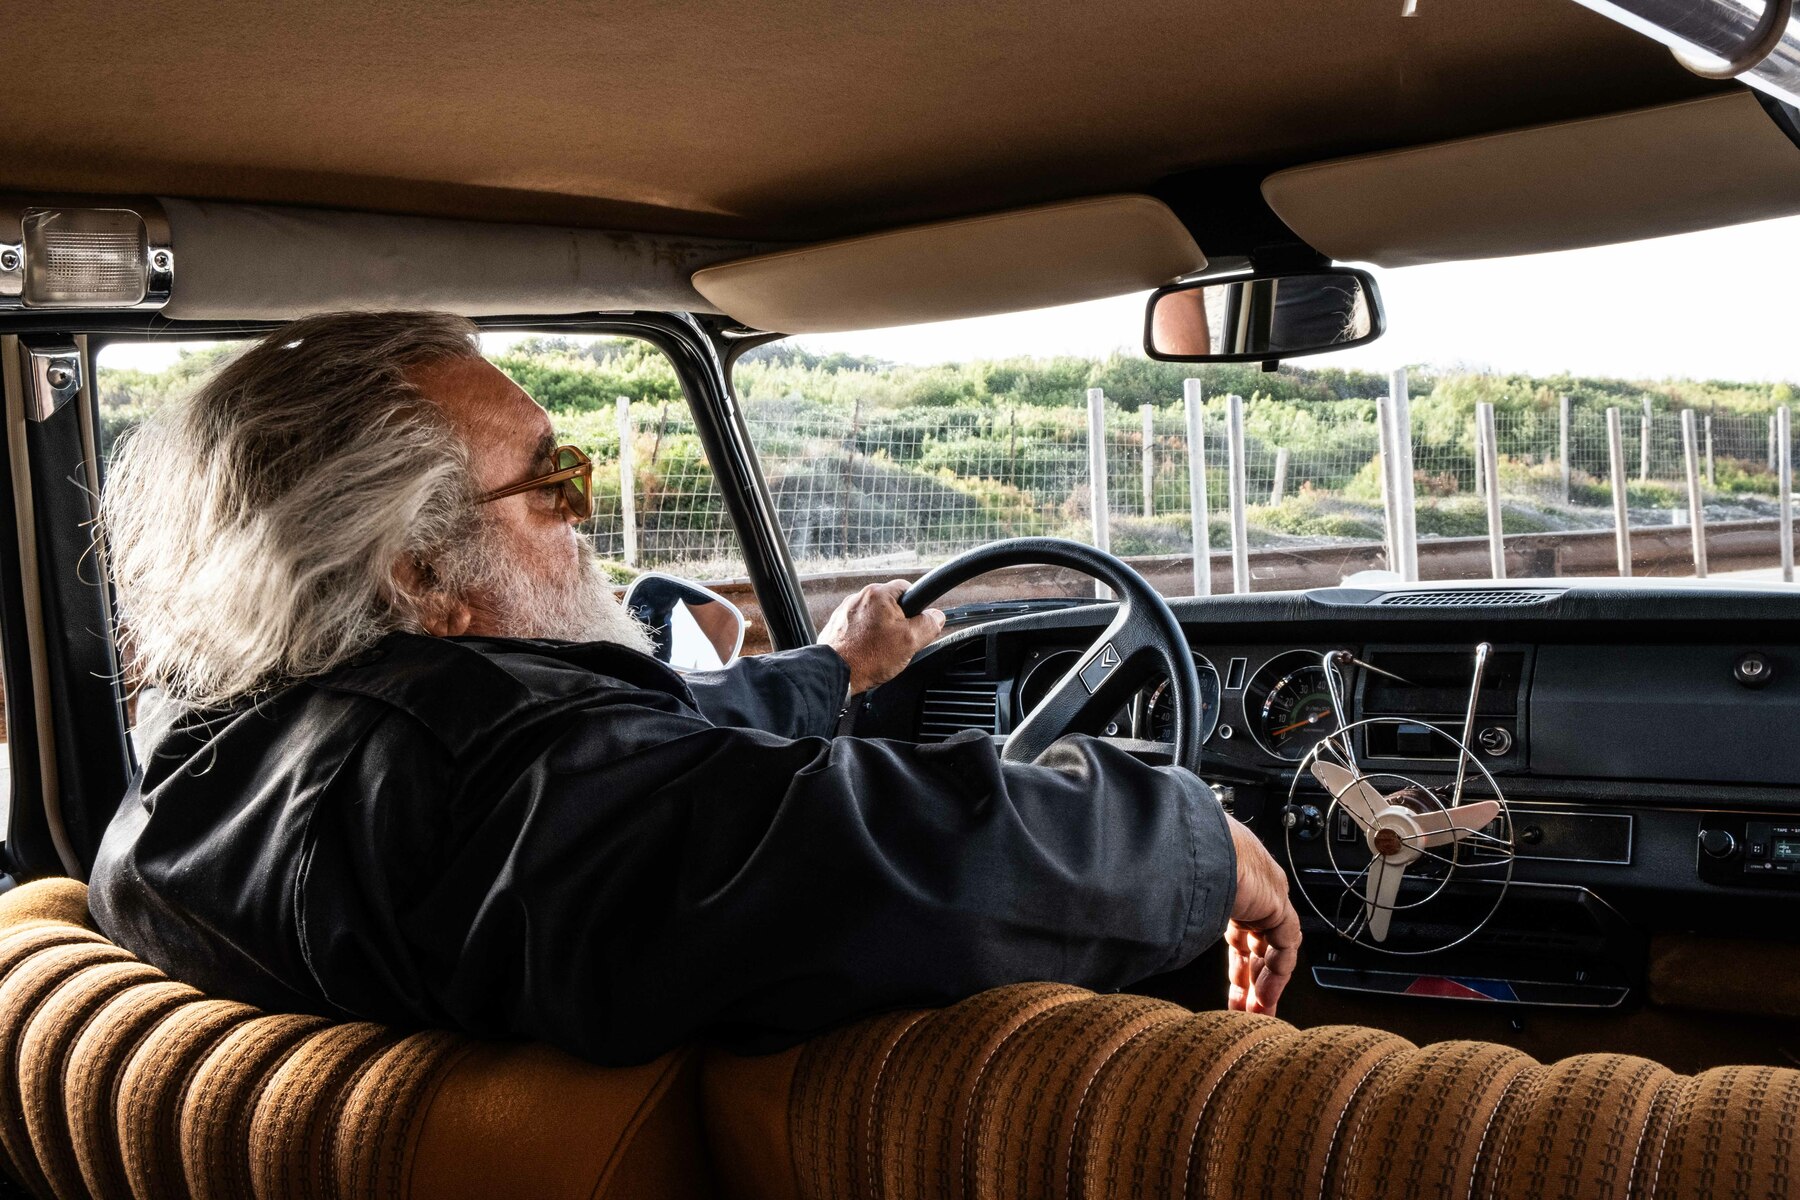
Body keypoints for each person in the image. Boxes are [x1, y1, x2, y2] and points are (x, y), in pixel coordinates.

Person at [90, 312, 1300, 1066]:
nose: (584, 510)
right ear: (422, 573)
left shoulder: (200, 780)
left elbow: (653, 760)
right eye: (551, 480)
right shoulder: (483, 788)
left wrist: (834, 671)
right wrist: (1189, 835)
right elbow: (878, 863)